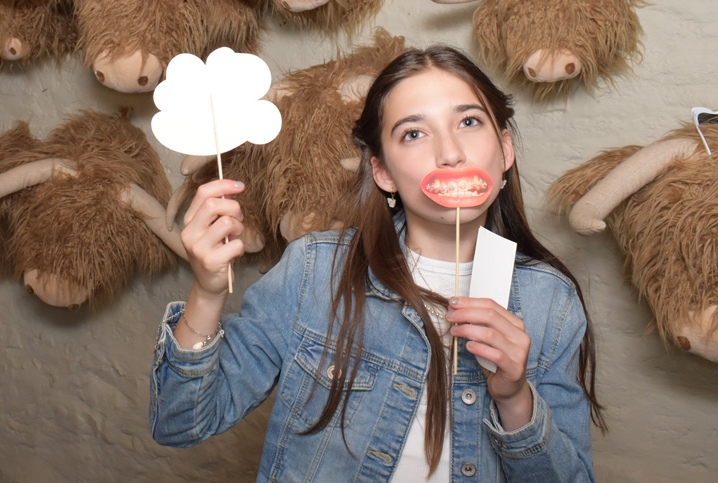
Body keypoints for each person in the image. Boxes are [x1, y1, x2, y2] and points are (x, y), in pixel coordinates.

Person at [149, 45, 603, 481]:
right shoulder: (313, 271)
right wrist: (207, 294)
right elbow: (180, 423)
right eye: (414, 133)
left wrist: (514, 398)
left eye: (468, 121)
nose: (450, 153)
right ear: (382, 172)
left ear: (504, 151)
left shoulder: (550, 301)